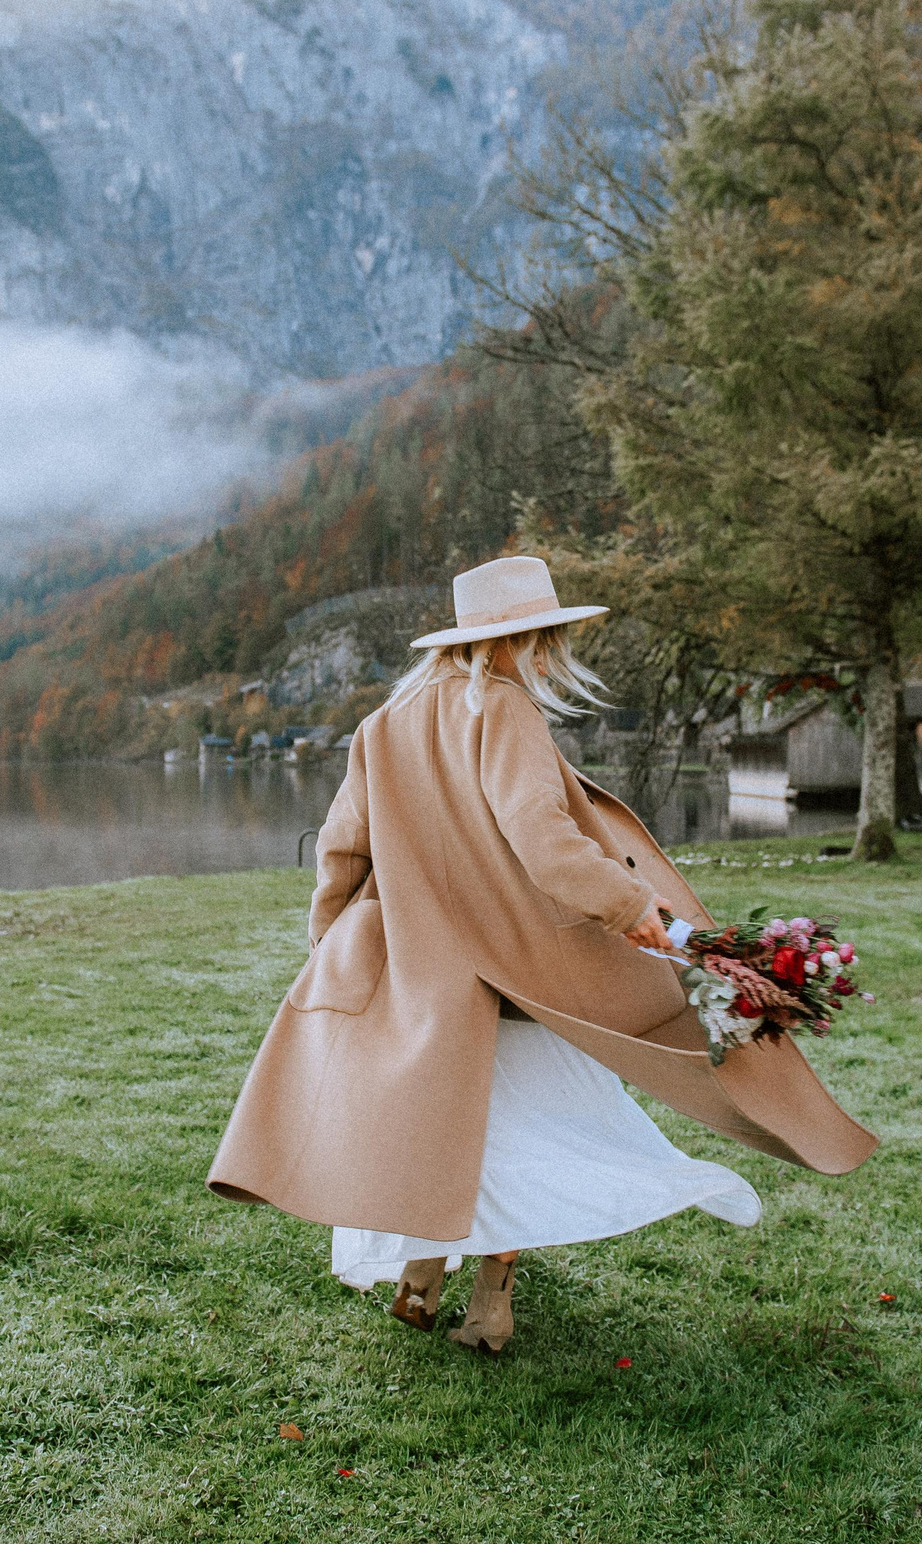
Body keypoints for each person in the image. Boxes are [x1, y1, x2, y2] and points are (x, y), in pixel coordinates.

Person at [207, 556, 876, 1353]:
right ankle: (490, 1305)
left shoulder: (382, 727)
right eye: (544, 636)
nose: (550, 652)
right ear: (515, 641)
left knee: (449, 1125)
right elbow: (545, 843)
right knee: (523, 1133)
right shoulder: (502, 710)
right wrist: (635, 908)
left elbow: (341, 855)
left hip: (424, 977)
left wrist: (330, 945)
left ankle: (421, 1276)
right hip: (520, 971)